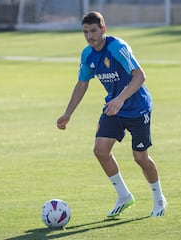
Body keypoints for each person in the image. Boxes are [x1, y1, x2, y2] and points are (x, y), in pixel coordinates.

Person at [56, 11, 166, 218]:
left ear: (103, 29)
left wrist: (120, 99)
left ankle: (159, 198)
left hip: (137, 108)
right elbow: (82, 83)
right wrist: (68, 113)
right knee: (100, 150)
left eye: (94, 31)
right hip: (114, 108)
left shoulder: (117, 48)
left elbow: (140, 76)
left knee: (140, 158)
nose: (90, 36)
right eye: (85, 32)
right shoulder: (87, 54)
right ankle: (124, 196)